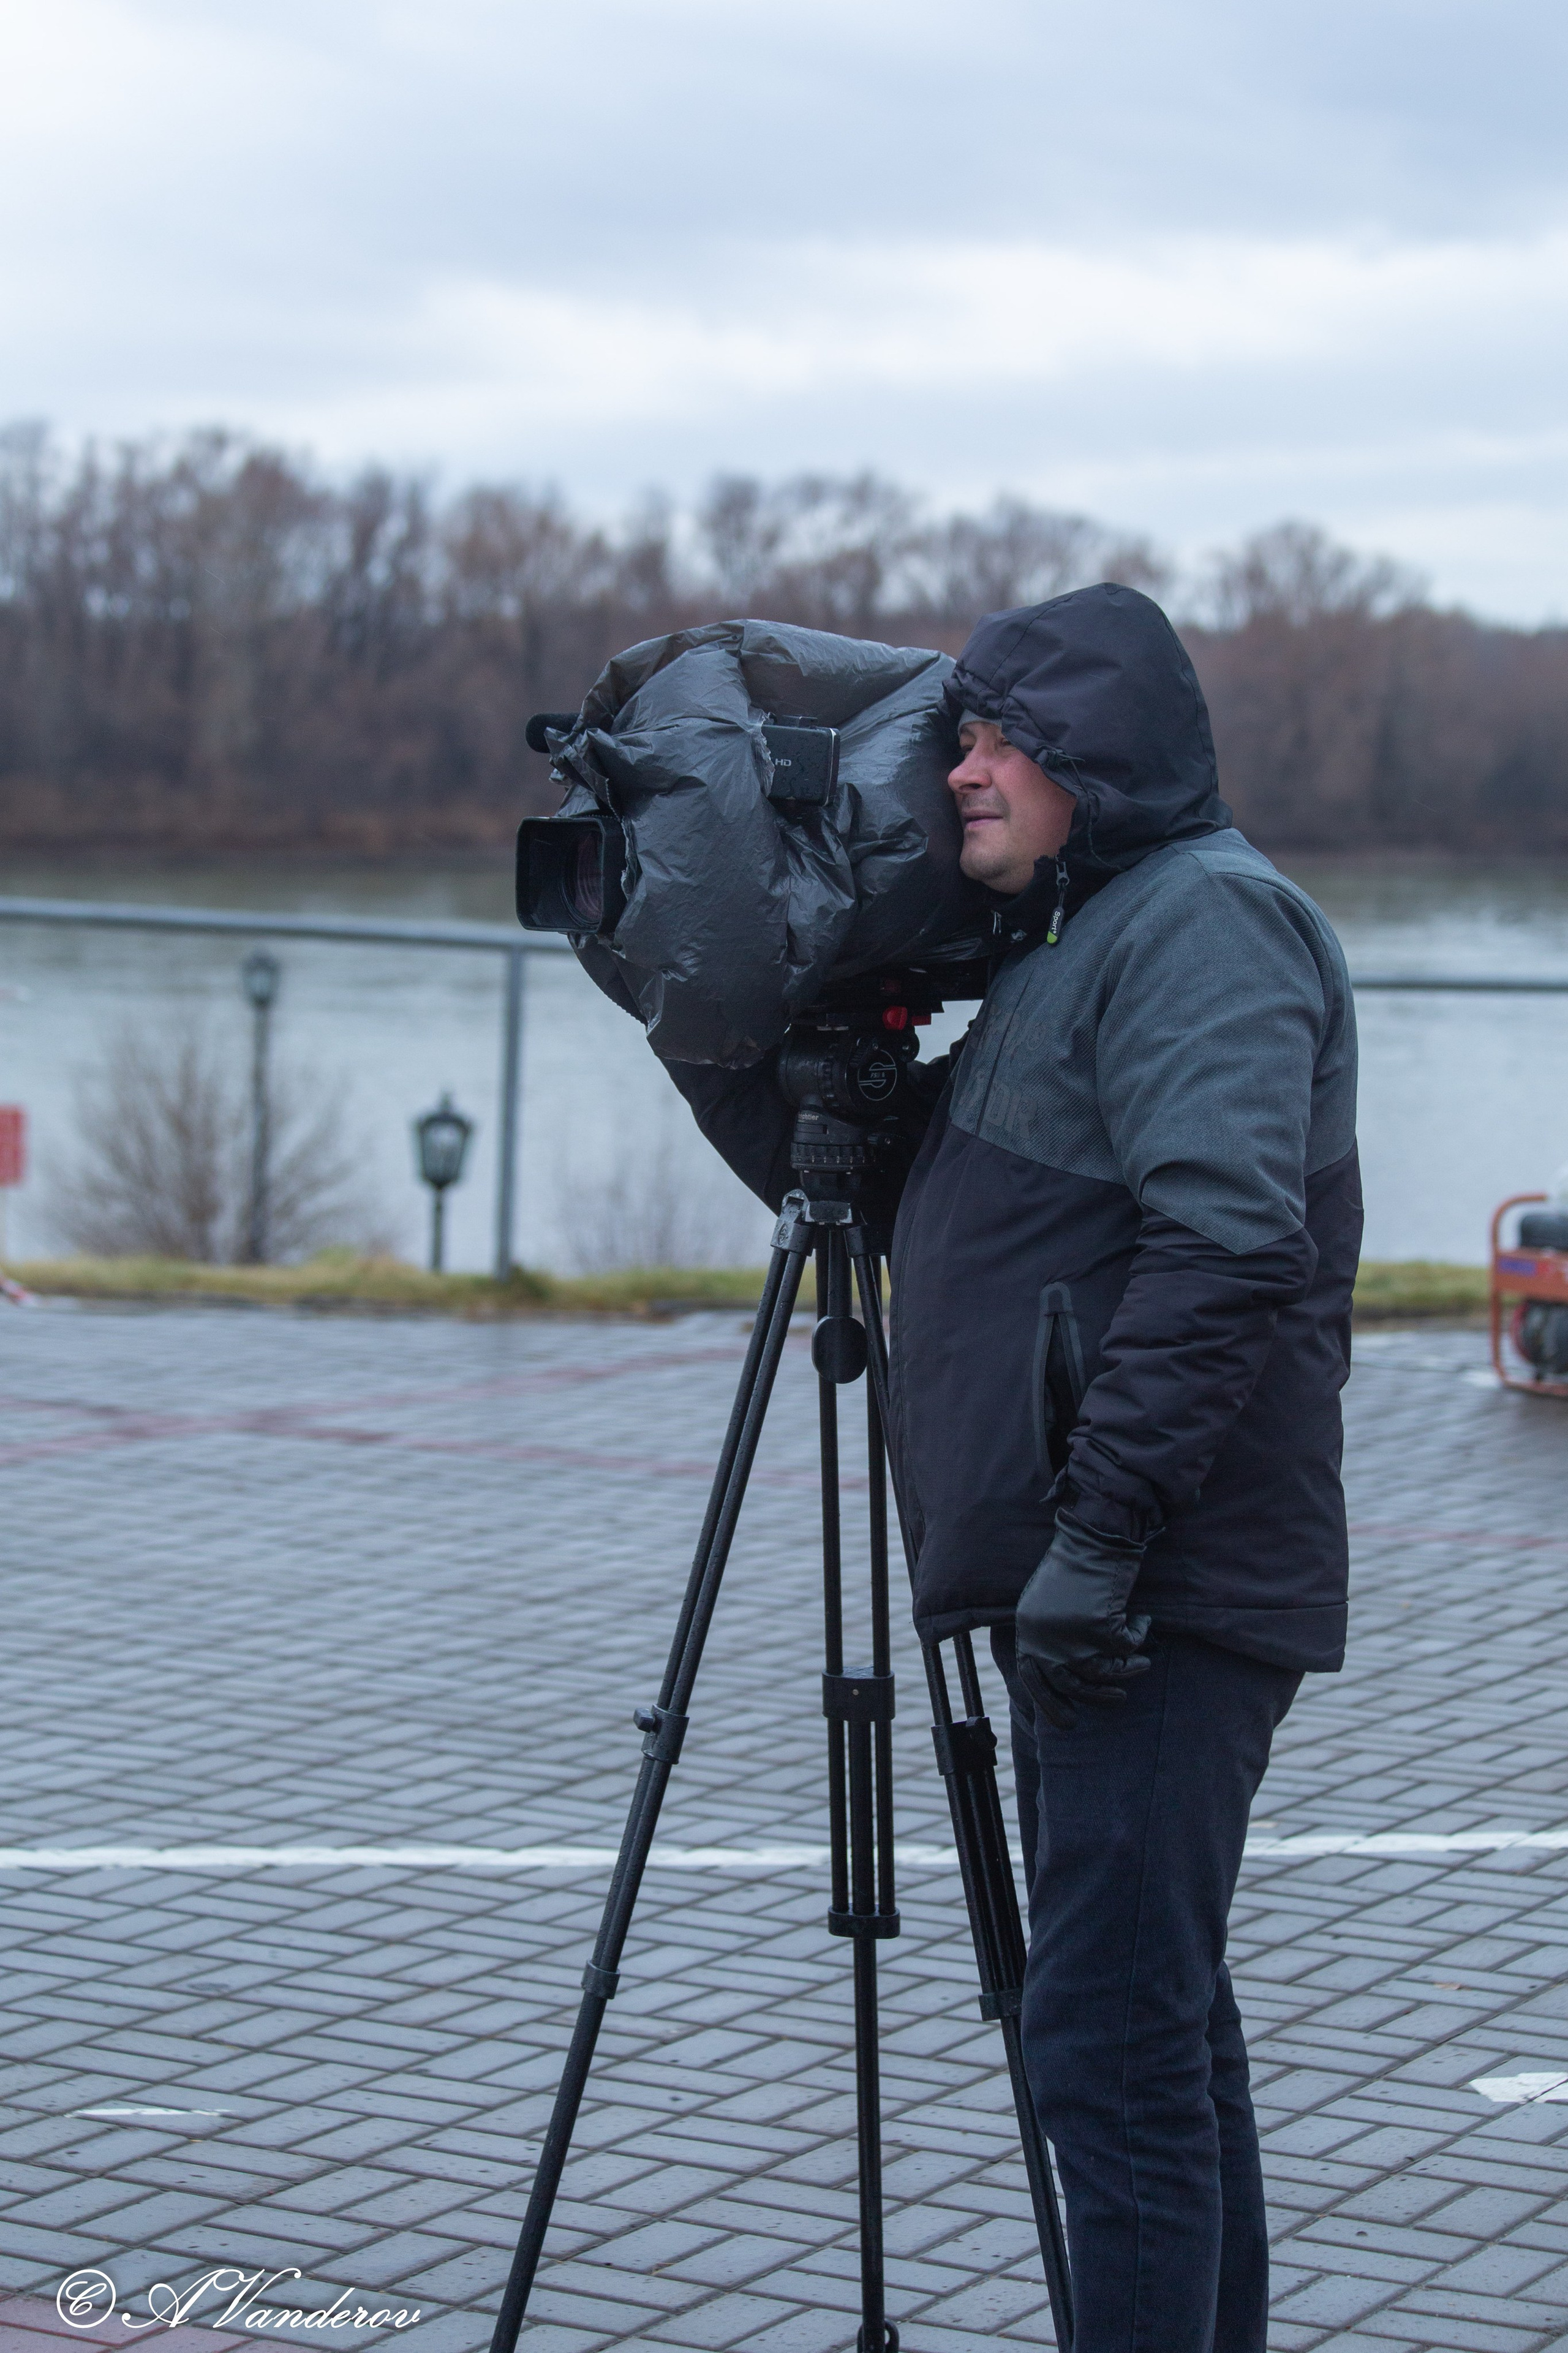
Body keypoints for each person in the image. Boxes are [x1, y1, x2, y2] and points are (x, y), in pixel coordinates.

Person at [671, 581, 1360, 2353]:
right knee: (1154, 2029)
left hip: (1157, 1588)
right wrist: (706, 996)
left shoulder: (1203, 923)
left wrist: (1103, 1538)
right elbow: (915, 1200)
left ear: (1094, 758)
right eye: (963, 735)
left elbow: (1230, 1247)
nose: (962, 769)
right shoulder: (1083, 939)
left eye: (999, 739)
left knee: (1109, 2049)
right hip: (1104, 1581)